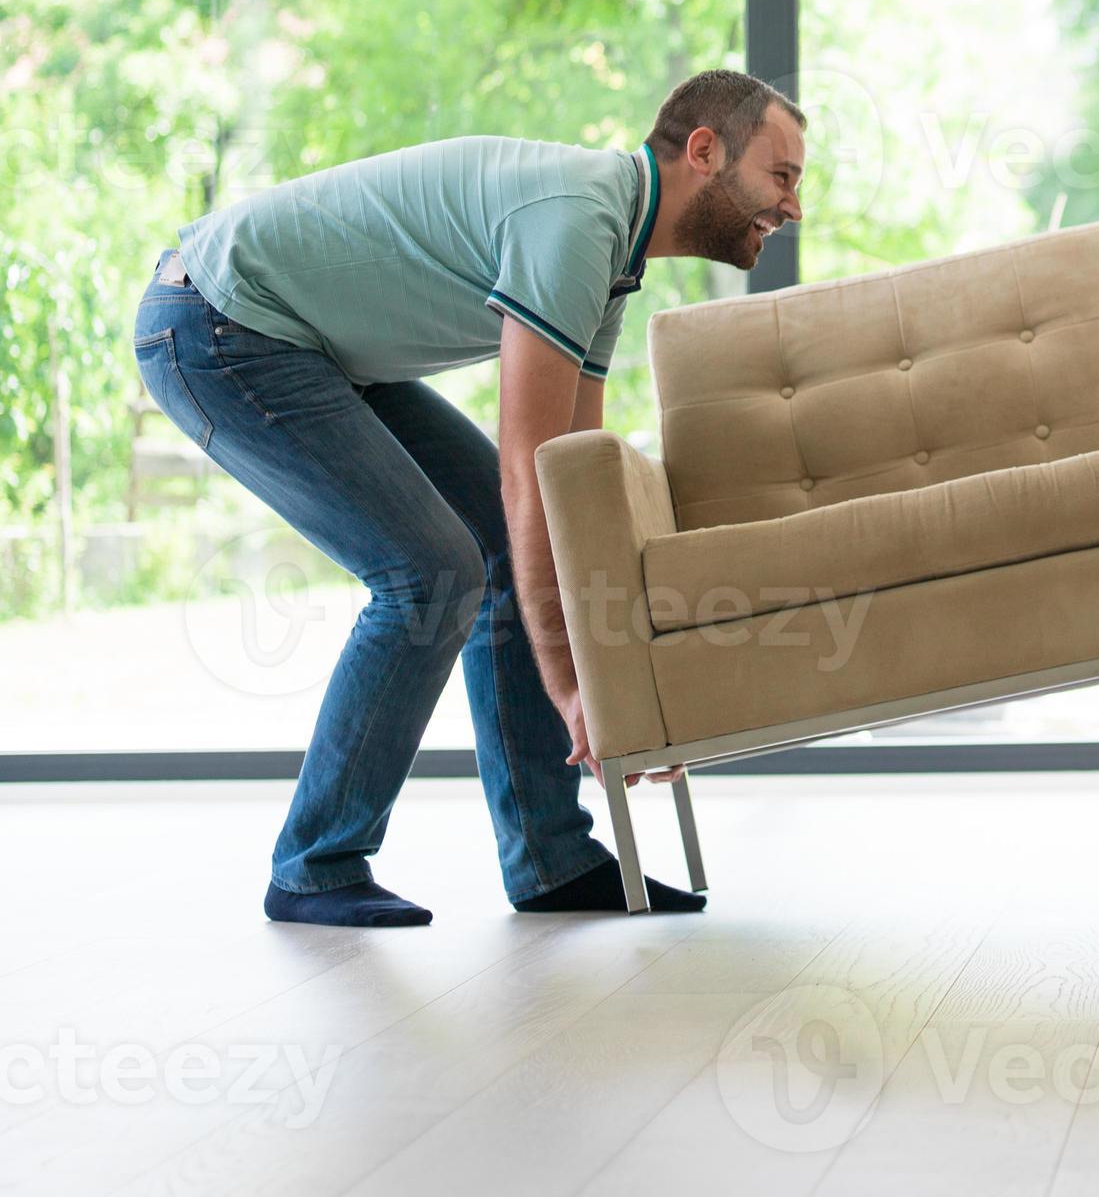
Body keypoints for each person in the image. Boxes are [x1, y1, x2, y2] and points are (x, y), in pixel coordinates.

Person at [133, 70, 806, 927]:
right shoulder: (577, 221)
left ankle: (553, 862)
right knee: (432, 571)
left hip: (312, 347)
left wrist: (626, 694)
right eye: (780, 176)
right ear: (704, 152)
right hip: (218, 322)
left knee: (500, 546)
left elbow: (570, 492)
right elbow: (529, 473)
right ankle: (315, 865)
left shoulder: (611, 257)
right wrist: (575, 690)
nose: (793, 208)